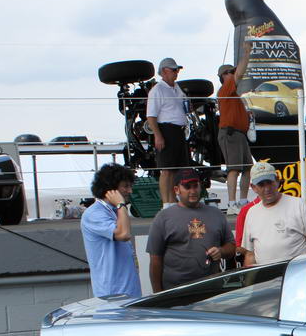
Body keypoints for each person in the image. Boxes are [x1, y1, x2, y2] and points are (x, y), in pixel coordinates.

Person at [146, 168, 236, 292]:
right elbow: (155, 260)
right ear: (176, 190)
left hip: (212, 290)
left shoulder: (216, 213)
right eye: (187, 187)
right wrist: (157, 295)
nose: (193, 191)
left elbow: (231, 247)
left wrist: (221, 251)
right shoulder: (163, 218)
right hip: (176, 293)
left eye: (195, 186)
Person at [241, 161, 306, 266]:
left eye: (269, 182)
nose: (267, 188)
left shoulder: (298, 204)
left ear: (277, 181)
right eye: (261, 184)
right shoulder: (251, 213)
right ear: (254, 187)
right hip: (266, 280)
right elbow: (250, 254)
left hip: (297, 276)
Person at [80, 163, 140, 298]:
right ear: (110, 190)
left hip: (129, 291)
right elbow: (123, 234)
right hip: (111, 294)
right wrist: (120, 204)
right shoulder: (94, 214)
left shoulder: (115, 212)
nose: (130, 191)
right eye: (126, 186)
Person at [146, 57, 190, 208]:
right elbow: (151, 115)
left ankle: (173, 200)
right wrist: (158, 135)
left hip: (179, 130)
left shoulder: (177, 88)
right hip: (166, 129)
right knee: (166, 169)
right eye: (174, 70)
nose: (176, 73)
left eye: (177, 70)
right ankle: (166, 202)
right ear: (164, 71)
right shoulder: (157, 90)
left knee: (176, 169)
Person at [217, 50, 254, 216]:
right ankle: (232, 203)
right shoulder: (225, 90)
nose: (233, 74)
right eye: (230, 72)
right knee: (233, 169)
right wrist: (246, 52)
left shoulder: (232, 94)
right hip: (230, 133)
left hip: (239, 133)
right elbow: (240, 72)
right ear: (224, 75)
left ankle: (243, 201)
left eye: (232, 71)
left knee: (247, 168)